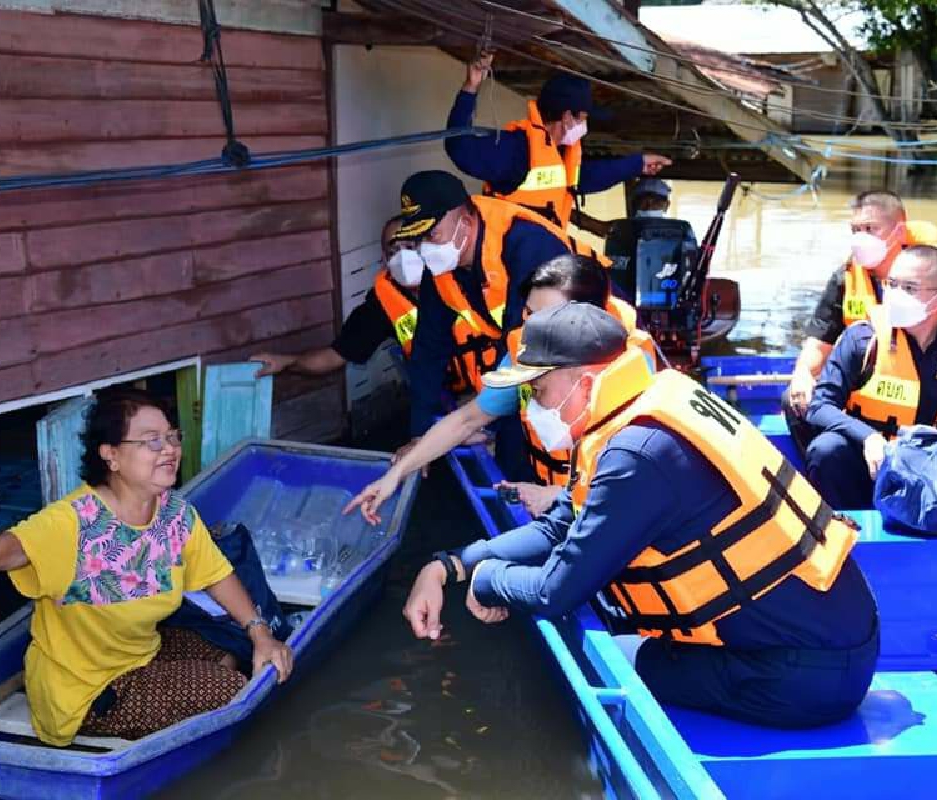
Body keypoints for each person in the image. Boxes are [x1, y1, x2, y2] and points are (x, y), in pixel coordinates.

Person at [365, 303, 879, 729]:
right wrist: (448, 564)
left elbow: (552, 593)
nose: (528, 406)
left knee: (628, 653)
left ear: (584, 381)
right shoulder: (646, 405)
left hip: (802, 676)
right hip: (830, 641)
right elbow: (561, 523)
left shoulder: (637, 454)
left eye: (535, 390)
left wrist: (485, 582)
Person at [0, 391, 293, 747]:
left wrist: (259, 633)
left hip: (140, 653)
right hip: (86, 691)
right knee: (232, 691)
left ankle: (190, 694)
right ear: (111, 456)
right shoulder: (75, 521)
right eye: (151, 440)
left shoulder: (175, 516)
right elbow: (11, 548)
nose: (169, 450)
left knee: (240, 649)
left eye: (171, 436)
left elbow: (216, 574)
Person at [367, 253, 649, 518]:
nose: (531, 327)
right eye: (528, 314)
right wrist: (396, 475)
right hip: (556, 506)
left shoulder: (632, 372)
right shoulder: (525, 353)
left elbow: (638, 486)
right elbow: (467, 419)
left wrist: (558, 495)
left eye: (547, 317)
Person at [392, 170, 602, 472]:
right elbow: (428, 347)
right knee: (512, 450)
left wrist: (481, 420)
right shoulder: (441, 267)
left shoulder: (527, 245)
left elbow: (527, 346)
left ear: (464, 221)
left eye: (431, 235)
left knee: (563, 449)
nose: (426, 247)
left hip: (588, 349)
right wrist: (420, 433)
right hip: (527, 359)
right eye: (419, 238)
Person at [784, 191, 937, 455]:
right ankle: (824, 478)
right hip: (863, 378)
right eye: (855, 229)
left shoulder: (931, 270)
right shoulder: (846, 278)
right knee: (797, 401)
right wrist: (803, 374)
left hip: (926, 374)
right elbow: (819, 340)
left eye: (870, 228)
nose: (861, 237)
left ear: (899, 231)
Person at [445, 53, 671, 232]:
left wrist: (637, 164)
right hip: (507, 270)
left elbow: (586, 177)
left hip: (540, 267)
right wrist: (470, 88)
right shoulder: (517, 148)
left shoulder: (561, 155)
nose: (585, 125)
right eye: (583, 118)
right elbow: (460, 148)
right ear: (566, 117)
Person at [804, 245, 937, 510]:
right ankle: (851, 534)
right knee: (826, 450)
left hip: (929, 464)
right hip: (870, 461)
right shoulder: (863, 339)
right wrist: (868, 437)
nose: (896, 295)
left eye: (910, 288)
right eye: (892, 284)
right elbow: (819, 406)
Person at [251, 218, 454, 382]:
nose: (404, 258)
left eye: (410, 246)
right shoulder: (384, 303)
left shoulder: (457, 279)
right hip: (442, 394)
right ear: (384, 260)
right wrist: (286, 362)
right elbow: (334, 356)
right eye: (394, 251)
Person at [604, 178, 698, 303]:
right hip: (671, 302)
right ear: (667, 205)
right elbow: (694, 264)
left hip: (620, 303)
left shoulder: (617, 227)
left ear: (634, 203)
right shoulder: (683, 228)